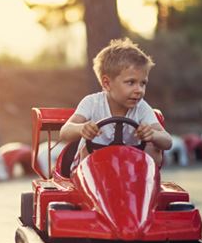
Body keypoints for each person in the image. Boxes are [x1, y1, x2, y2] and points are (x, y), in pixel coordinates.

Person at [59, 37, 172, 167]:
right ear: (107, 83)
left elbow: (167, 141)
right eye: (131, 82)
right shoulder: (92, 103)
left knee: (153, 149)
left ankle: (146, 183)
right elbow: (65, 132)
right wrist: (81, 128)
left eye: (143, 83)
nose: (139, 90)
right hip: (92, 172)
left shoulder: (141, 108)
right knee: (86, 150)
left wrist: (153, 134)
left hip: (129, 172)